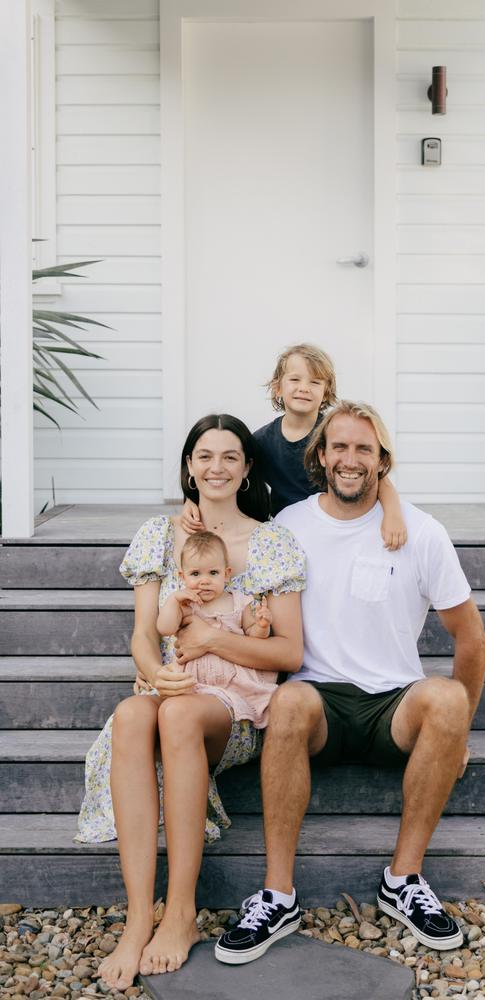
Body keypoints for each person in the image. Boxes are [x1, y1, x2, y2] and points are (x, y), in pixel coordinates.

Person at [213, 401, 485, 966]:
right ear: (320, 454)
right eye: (339, 446)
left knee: (447, 696)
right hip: (319, 703)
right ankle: (278, 894)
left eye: (364, 448)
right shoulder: (289, 526)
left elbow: (472, 640)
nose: (350, 459)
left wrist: (459, 732)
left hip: (395, 706)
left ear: (382, 461)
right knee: (287, 702)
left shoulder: (422, 532)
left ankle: (403, 879)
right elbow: (230, 581)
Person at [75, 414, 305, 991]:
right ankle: (136, 919)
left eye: (231, 456)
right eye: (205, 455)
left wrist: (214, 640)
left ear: (248, 468)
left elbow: (291, 653)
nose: (217, 467)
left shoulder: (271, 542)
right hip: (176, 690)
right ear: (188, 466)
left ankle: (180, 913)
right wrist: (155, 672)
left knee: (176, 714)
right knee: (133, 712)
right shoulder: (160, 534)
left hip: (234, 710)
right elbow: (143, 636)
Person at [182, 342, 408, 549]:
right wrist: (191, 501)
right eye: (295, 380)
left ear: (326, 392)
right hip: (286, 531)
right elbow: (226, 474)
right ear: (278, 387)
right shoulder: (261, 441)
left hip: (332, 524)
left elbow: (378, 477)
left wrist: (393, 514)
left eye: (315, 382)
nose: (304, 388)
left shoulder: (333, 435)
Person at [157, 530, 278, 727]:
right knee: (180, 706)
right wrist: (173, 600)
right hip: (193, 680)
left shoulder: (238, 602)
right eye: (195, 574)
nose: (204, 580)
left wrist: (262, 625)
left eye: (213, 573)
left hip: (233, 680)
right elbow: (165, 628)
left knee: (258, 701)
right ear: (182, 576)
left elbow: (253, 636)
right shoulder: (185, 605)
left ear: (226, 574)